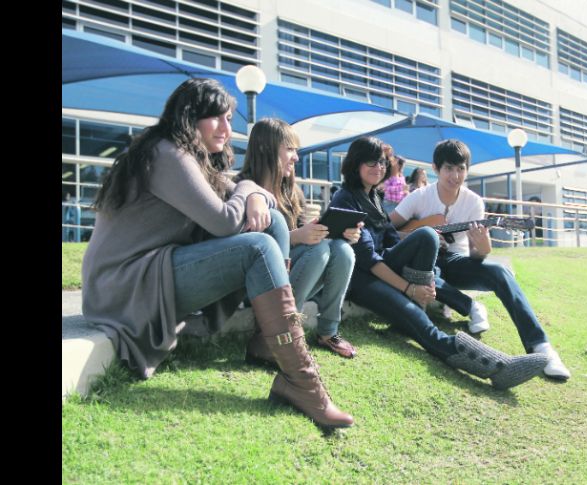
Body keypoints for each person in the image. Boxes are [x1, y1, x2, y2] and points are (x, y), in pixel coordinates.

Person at [81, 79, 353, 428]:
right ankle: (302, 381)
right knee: (258, 246)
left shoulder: (194, 158)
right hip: (124, 284)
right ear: (190, 118)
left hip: (153, 271)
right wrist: (251, 189)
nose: (227, 128)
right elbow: (224, 222)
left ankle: (266, 343)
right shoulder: (167, 154)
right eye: (217, 118)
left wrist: (253, 192)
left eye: (229, 118)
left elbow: (241, 192)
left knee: (273, 226)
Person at [330, 136, 548, 390]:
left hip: (384, 268)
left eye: (381, 162)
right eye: (370, 162)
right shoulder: (345, 198)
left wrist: (426, 264)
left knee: (426, 235)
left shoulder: (374, 198)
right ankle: (497, 366)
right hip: (362, 277)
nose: (378, 167)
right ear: (355, 164)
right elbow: (368, 258)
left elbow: (392, 238)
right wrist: (409, 288)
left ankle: (428, 303)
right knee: (422, 325)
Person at [389, 139, 571, 381]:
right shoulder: (420, 197)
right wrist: (420, 236)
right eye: (449, 169)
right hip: (423, 265)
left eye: (461, 168)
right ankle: (471, 306)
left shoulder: (473, 202)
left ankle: (541, 346)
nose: (455, 175)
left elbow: (476, 255)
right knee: (427, 267)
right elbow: (386, 230)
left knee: (500, 272)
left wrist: (483, 246)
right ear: (435, 169)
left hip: (456, 261)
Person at [237, 118, 361, 358]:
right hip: (254, 285)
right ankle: (283, 333)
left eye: (297, 150)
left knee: (342, 250)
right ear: (265, 148)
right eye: (290, 149)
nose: (296, 157)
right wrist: (297, 237)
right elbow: (248, 245)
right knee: (318, 251)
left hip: (290, 277)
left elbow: (306, 234)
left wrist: (339, 233)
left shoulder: (292, 193)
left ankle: (328, 331)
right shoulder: (243, 189)